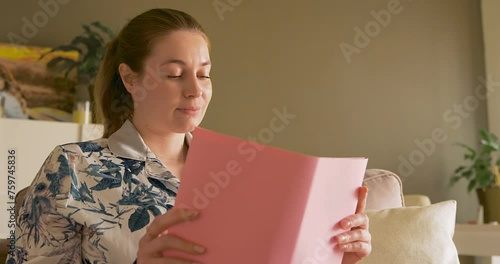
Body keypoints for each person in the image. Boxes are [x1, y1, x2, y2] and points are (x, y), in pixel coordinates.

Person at [9, 8, 371, 264]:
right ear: (131, 79)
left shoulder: (240, 168)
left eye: (204, 74)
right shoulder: (73, 167)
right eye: (174, 74)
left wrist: (333, 255)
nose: (195, 90)